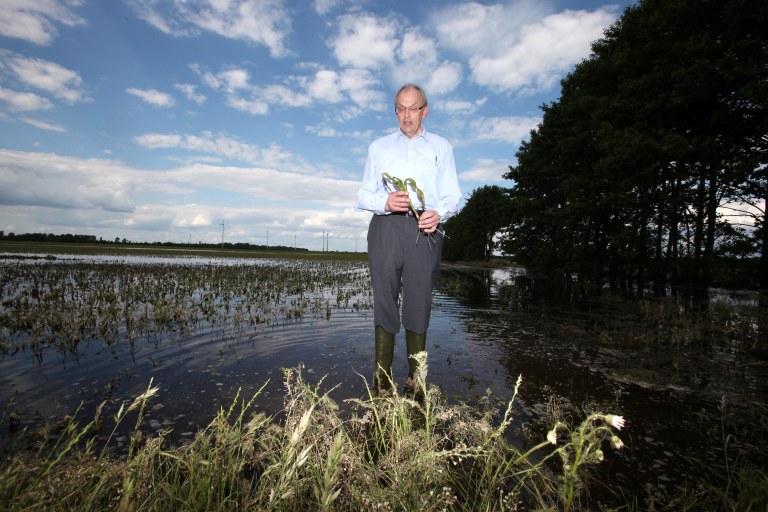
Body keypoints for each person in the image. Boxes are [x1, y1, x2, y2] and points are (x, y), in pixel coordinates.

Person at [356, 83, 462, 395]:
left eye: (412, 108)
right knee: (384, 299)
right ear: (395, 112)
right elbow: (364, 194)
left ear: (424, 111)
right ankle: (382, 381)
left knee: (419, 299)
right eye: (400, 109)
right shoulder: (378, 148)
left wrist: (439, 213)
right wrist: (385, 201)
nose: (406, 115)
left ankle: (417, 385)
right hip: (385, 227)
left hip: (425, 230)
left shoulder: (442, 147)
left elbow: (452, 194)